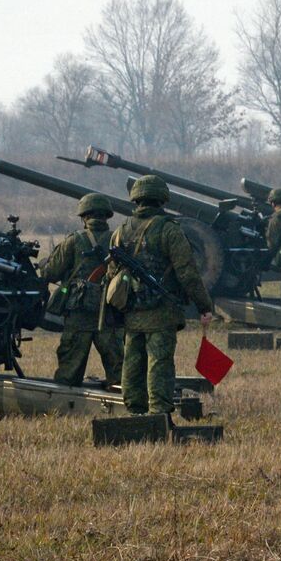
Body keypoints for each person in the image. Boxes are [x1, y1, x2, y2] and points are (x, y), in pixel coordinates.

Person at [102, 175, 214, 416]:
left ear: (136, 199)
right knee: (159, 363)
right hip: (161, 312)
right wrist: (204, 305)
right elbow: (188, 273)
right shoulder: (169, 231)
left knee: (132, 362)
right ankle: (158, 414)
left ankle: (134, 412)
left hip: (131, 312)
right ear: (162, 199)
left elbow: (112, 273)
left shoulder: (120, 232)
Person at [39, 193, 123, 386]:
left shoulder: (74, 240)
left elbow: (50, 273)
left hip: (79, 315)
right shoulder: (117, 240)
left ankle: (63, 409)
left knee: (68, 372)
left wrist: (44, 264)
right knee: (119, 372)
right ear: (106, 216)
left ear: (84, 216)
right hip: (110, 314)